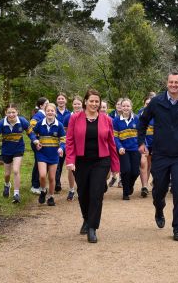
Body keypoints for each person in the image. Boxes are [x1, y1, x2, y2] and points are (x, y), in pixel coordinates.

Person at [138, 72, 178, 241]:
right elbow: (143, 121)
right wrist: (141, 142)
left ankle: (177, 227)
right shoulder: (156, 102)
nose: (173, 85)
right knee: (159, 190)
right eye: (171, 82)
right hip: (160, 154)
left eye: (177, 82)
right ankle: (159, 209)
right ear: (167, 84)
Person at [66, 89, 120, 243]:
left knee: (96, 193)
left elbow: (111, 143)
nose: (94, 104)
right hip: (80, 162)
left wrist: (115, 166)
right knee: (83, 193)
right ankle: (86, 218)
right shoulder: (75, 118)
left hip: (101, 161)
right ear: (85, 102)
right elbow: (69, 141)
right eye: (91, 101)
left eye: (97, 101)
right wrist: (70, 160)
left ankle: (92, 227)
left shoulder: (107, 120)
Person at [0, 104, 39, 204]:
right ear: (5, 113)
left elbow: (30, 132)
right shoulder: (2, 123)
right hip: (6, 150)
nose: (11, 114)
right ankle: (7, 184)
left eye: (13, 112)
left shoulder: (23, 121)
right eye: (9, 112)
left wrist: (35, 140)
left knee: (16, 170)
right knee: (7, 174)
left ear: (17, 112)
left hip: (18, 149)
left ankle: (16, 194)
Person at [33, 103, 65, 206]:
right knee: (42, 175)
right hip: (42, 153)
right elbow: (33, 134)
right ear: (45, 112)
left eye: (52, 111)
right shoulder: (39, 123)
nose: (50, 112)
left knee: (52, 177)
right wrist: (36, 143)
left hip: (54, 154)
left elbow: (63, 139)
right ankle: (43, 190)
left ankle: (51, 197)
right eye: (48, 111)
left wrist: (61, 148)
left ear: (55, 112)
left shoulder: (59, 125)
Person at [113, 98, 140, 200]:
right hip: (123, 150)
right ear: (120, 107)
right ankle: (125, 193)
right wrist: (119, 147)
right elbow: (115, 136)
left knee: (135, 172)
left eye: (127, 106)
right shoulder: (116, 120)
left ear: (131, 107)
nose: (125, 108)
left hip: (135, 149)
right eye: (123, 106)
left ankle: (130, 186)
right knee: (126, 170)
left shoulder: (137, 119)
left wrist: (142, 146)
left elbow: (141, 134)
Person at [62, 96, 82, 201]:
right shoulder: (67, 117)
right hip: (71, 145)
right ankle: (71, 189)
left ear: (82, 104)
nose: (77, 106)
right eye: (75, 104)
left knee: (82, 168)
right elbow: (65, 131)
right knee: (71, 167)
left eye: (79, 104)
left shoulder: (86, 116)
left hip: (83, 146)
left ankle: (81, 189)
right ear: (72, 105)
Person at [30, 97, 49, 195]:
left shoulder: (46, 114)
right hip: (38, 143)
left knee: (41, 164)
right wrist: (37, 139)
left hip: (45, 143)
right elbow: (31, 129)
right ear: (41, 106)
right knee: (38, 164)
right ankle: (35, 186)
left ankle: (39, 184)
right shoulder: (38, 116)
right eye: (46, 103)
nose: (48, 105)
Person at [54, 93, 71, 193]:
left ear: (66, 101)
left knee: (66, 161)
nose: (61, 100)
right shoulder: (52, 111)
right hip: (55, 141)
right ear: (57, 101)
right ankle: (57, 183)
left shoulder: (69, 114)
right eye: (59, 99)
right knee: (58, 163)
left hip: (67, 141)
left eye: (62, 99)